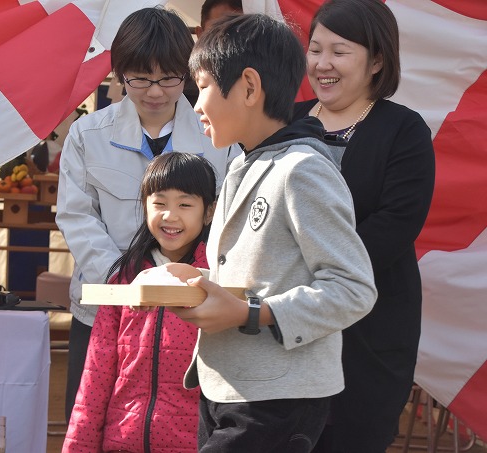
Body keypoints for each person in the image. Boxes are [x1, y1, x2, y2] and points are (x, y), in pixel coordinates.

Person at [167, 14, 378, 452]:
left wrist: (250, 313)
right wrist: (197, 284)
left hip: (279, 398)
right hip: (226, 387)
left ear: (247, 86)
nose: (195, 105)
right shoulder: (242, 164)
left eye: (202, 86)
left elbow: (353, 288)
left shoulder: (302, 169)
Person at [55, 6, 238, 424]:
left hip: (189, 312)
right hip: (104, 309)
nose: (155, 91)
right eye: (140, 78)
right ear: (119, 73)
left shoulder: (218, 138)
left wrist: (186, 282)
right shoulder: (88, 135)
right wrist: (124, 282)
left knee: (181, 427)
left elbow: (226, 219)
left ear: (189, 73)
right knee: (93, 422)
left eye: (169, 78)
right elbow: (77, 217)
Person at [291, 1, 436, 451]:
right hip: (288, 324)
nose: (322, 64)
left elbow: (396, 223)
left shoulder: (404, 130)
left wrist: (320, 273)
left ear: (377, 60)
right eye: (315, 50)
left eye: (339, 51)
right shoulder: (284, 121)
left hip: (370, 331)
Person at [62, 152, 217, 453]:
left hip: (196, 444)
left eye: (185, 204)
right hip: (122, 441)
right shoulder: (123, 280)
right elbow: (95, 379)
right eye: (159, 203)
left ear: (208, 212)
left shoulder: (219, 282)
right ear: (145, 206)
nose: (170, 216)